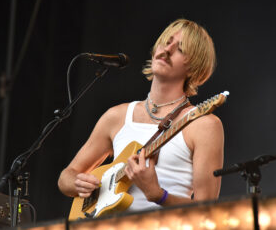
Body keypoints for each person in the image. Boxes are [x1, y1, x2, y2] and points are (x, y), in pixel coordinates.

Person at [58, 19, 224, 213]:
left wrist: (158, 195)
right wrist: (78, 183)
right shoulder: (117, 116)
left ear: (195, 66)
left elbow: (208, 209)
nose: (167, 50)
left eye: (181, 49)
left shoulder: (204, 125)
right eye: (166, 41)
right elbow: (65, 177)